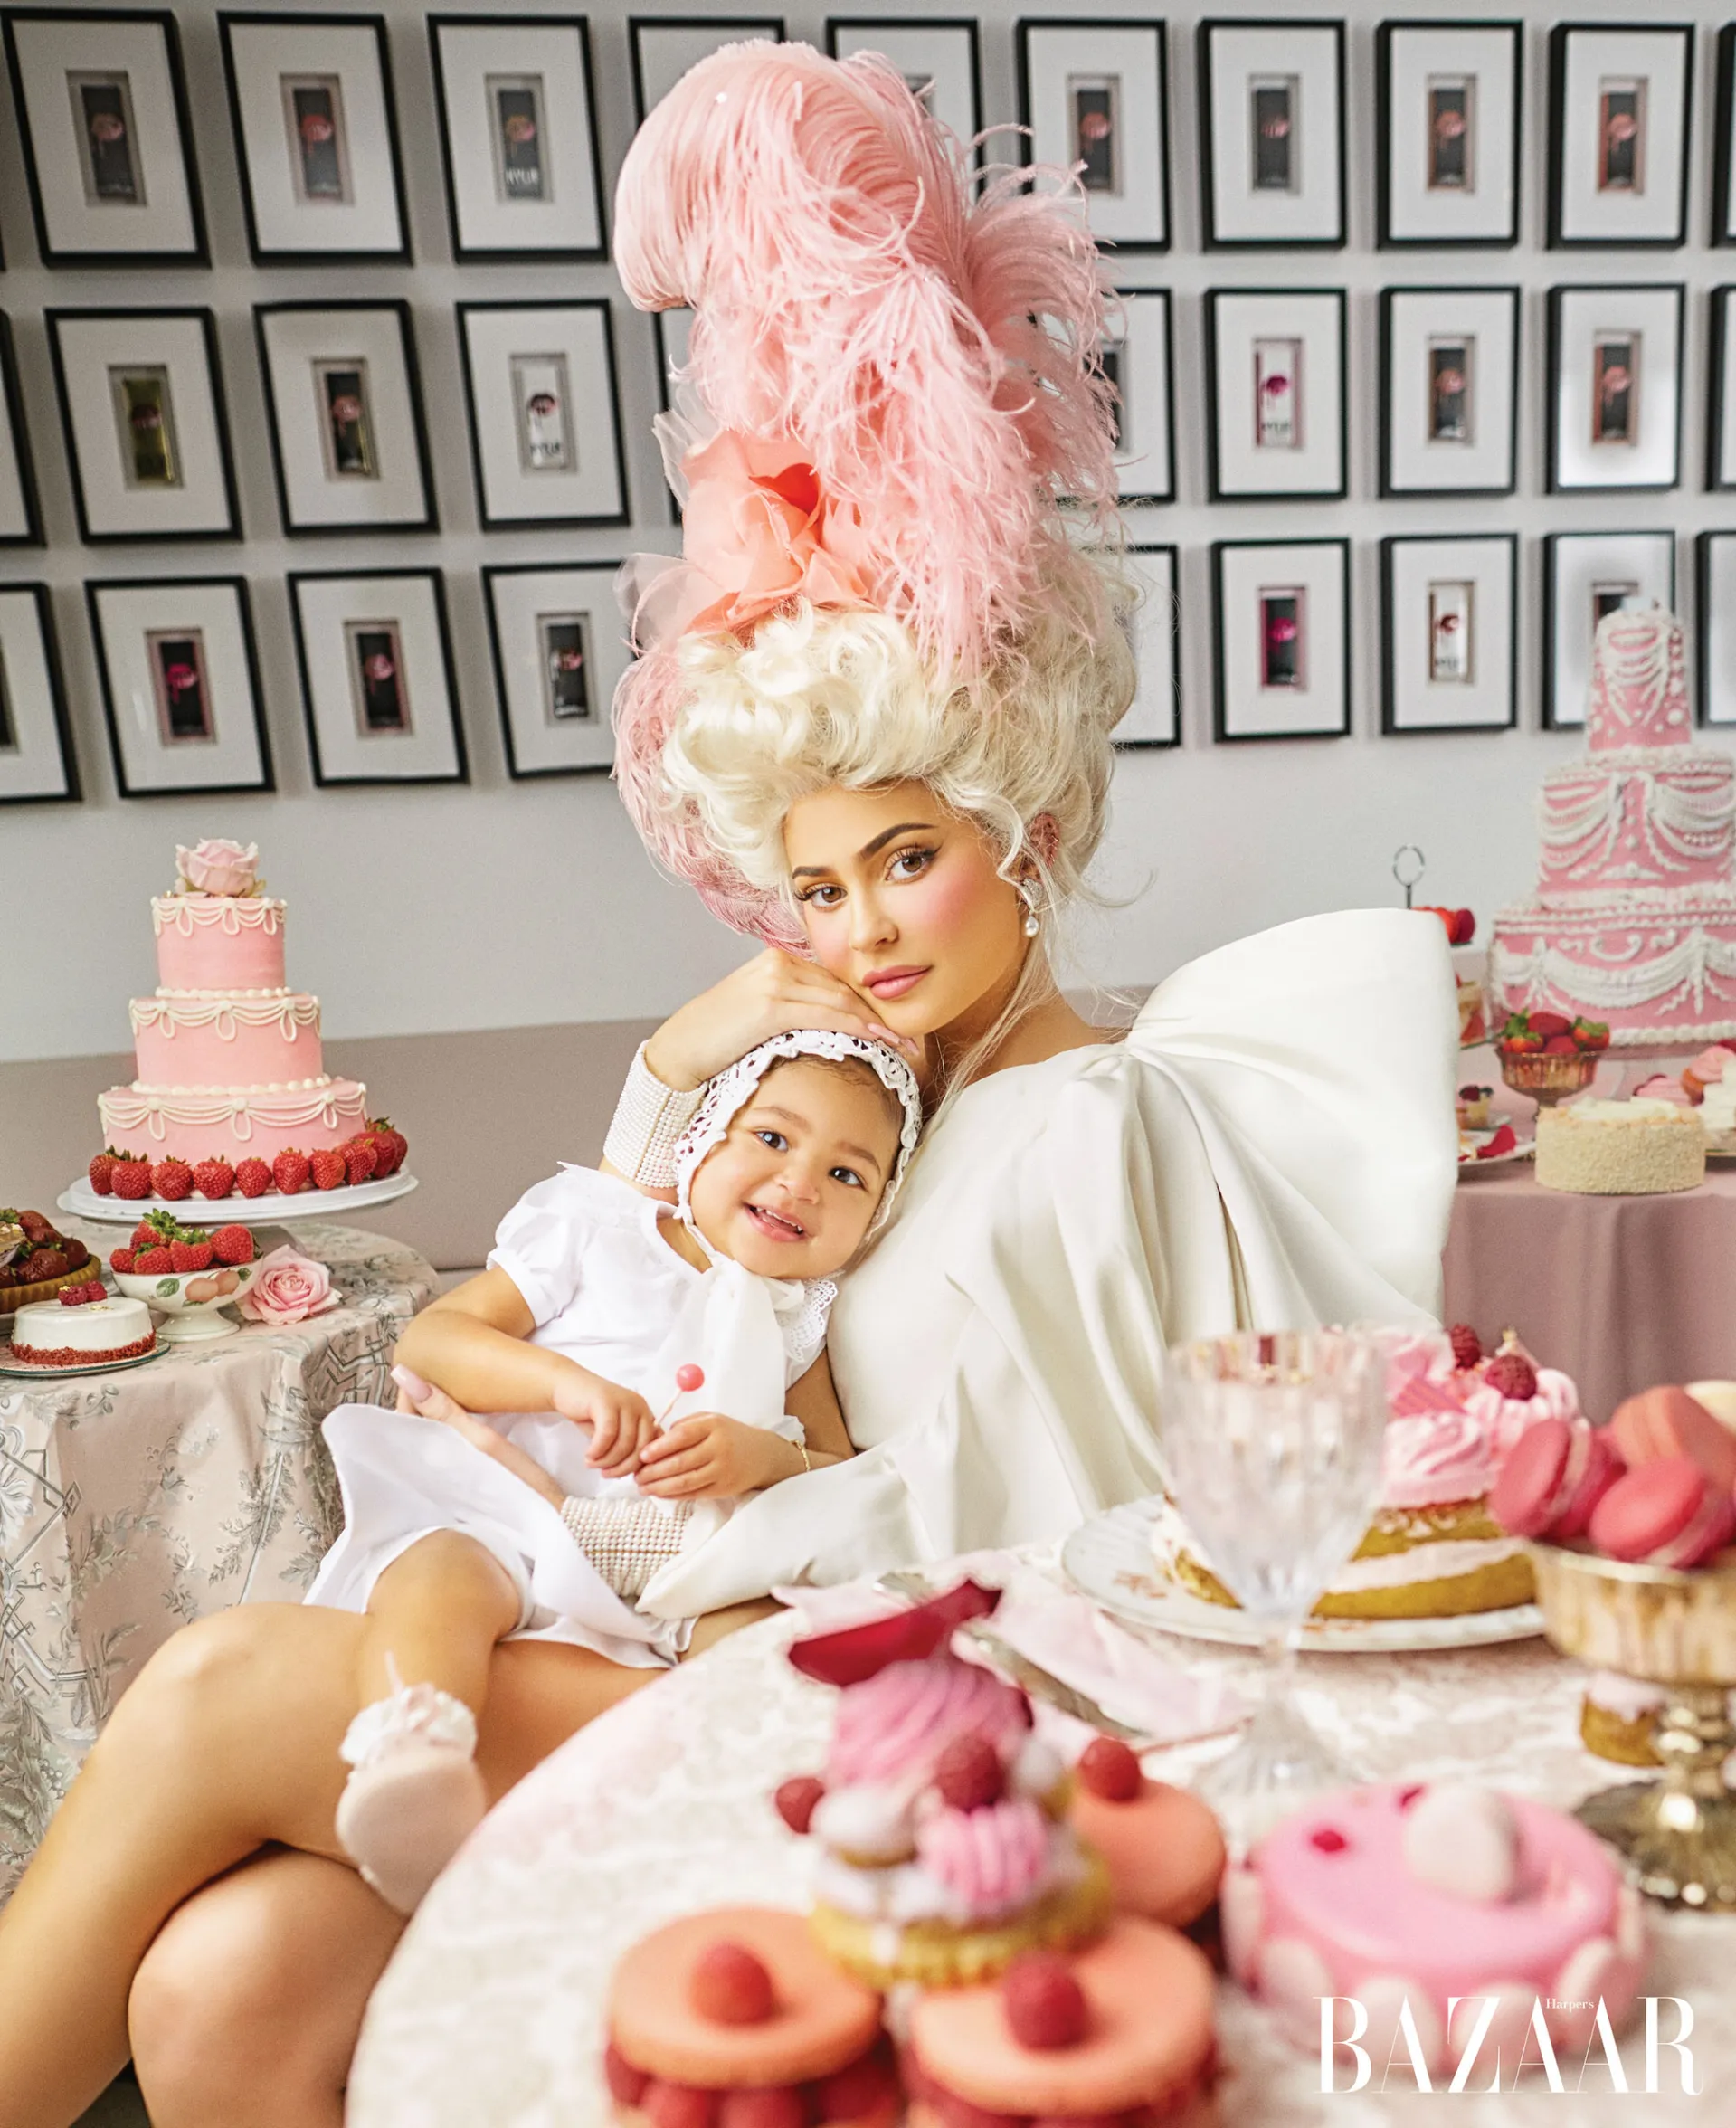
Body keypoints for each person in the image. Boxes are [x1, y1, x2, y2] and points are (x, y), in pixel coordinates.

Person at [0, 43, 1456, 2128]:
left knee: (219, 1679)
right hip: (676, 1634)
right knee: (226, 1982)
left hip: (873, 1707)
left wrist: (727, 1532)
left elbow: (1081, 1543)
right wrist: (677, 1057)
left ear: (1027, 828)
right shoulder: (874, 1103)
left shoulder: (1087, 1124)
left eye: (907, 861)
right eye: (817, 884)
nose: (858, 930)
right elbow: (651, 1269)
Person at [308, 1035, 919, 1913]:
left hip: (674, 1579)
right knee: (439, 1581)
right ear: (702, 1136)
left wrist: (766, 1458)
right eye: (772, 1139)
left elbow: (841, 1476)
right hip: (502, 1519)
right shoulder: (599, 1232)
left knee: (769, 1645)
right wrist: (561, 1383)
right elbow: (434, 1340)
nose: (799, 1185)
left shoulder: (799, 1321)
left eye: (846, 1175)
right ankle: (412, 1768)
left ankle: (777, 1824)